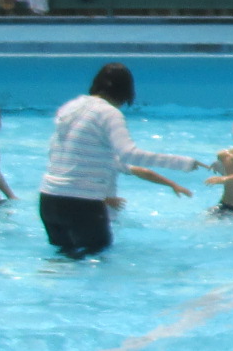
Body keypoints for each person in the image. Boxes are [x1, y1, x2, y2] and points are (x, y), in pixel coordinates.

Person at [38, 63, 208, 256]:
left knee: (64, 258)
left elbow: (55, 150)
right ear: (126, 91)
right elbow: (129, 154)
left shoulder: (69, 108)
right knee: (96, 259)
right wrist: (183, 162)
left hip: (48, 199)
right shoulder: (108, 113)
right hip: (81, 203)